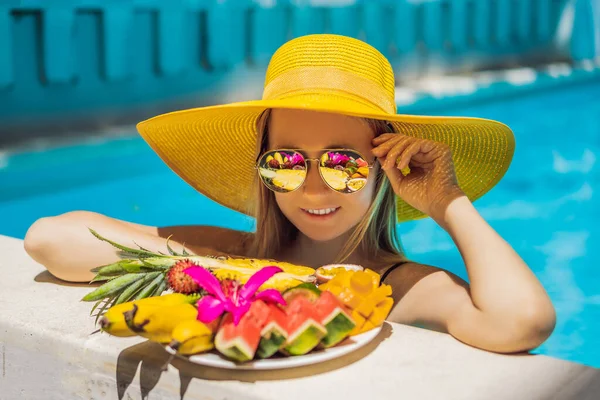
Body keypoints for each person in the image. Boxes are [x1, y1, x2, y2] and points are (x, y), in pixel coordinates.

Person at [24, 34, 555, 353]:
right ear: (263, 172)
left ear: (383, 169)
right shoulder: (233, 253)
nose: (314, 185)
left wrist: (448, 203)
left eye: (344, 163)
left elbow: (521, 322)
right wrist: (234, 275)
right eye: (285, 162)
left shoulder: (401, 287)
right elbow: (52, 240)